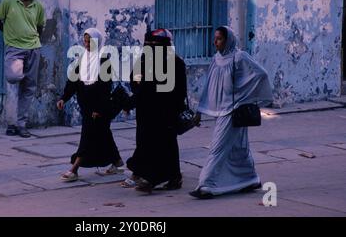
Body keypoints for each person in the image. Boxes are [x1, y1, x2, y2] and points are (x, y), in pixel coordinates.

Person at [189, 26, 273, 199]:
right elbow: (209, 87)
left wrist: (243, 96)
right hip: (223, 111)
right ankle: (250, 178)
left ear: (228, 40)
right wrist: (200, 111)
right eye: (215, 39)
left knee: (217, 148)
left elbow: (261, 74)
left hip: (234, 110)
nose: (215, 42)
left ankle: (206, 185)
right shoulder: (216, 59)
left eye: (219, 39)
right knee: (238, 148)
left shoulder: (239, 57)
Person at [123, 29, 187, 193]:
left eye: (155, 44)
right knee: (146, 143)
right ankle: (153, 175)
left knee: (166, 145)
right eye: (149, 44)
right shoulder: (145, 61)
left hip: (165, 112)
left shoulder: (176, 63)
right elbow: (136, 80)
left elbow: (179, 91)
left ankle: (157, 178)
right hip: (146, 112)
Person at [56, 28, 124, 182]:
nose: (87, 44)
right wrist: (63, 98)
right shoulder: (82, 59)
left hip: (98, 108)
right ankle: (117, 161)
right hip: (86, 106)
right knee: (104, 134)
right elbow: (73, 81)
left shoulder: (104, 61)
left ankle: (74, 169)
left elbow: (105, 88)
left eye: (90, 41)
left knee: (87, 136)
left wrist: (99, 109)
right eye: (85, 41)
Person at [0, 0, 45, 138]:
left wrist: (33, 40)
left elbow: (40, 26)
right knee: (13, 78)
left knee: (29, 88)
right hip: (14, 48)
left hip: (33, 48)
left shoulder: (39, 6)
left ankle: (20, 124)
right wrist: (9, 34)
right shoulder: (8, 2)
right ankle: (14, 121)